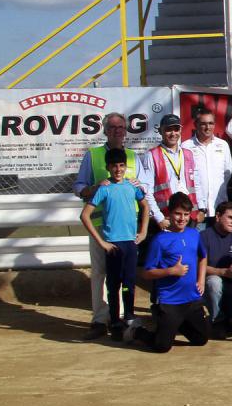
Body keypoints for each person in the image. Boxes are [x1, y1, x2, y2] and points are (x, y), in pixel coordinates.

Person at [73, 112, 141, 340]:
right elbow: (79, 187)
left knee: (124, 275)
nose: (117, 131)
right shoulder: (92, 155)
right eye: (112, 128)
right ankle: (100, 320)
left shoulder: (132, 156)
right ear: (104, 130)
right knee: (101, 273)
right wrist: (94, 188)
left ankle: (121, 318)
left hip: (127, 227)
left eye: (121, 127)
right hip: (101, 225)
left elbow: (142, 189)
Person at [135, 192, 210, 353]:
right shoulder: (159, 240)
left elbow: (203, 257)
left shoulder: (194, 234)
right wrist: (171, 271)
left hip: (191, 298)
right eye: (177, 214)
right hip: (170, 300)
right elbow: (146, 273)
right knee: (162, 347)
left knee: (201, 339)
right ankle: (137, 331)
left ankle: (177, 322)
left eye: (186, 214)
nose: (182, 218)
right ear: (169, 214)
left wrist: (201, 280)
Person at [142, 113, 201, 231]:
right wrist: (159, 218)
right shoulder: (152, 155)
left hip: (189, 217)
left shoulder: (188, 153)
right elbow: (147, 191)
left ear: (180, 130)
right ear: (160, 131)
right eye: (168, 130)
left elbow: (197, 184)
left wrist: (202, 209)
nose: (173, 133)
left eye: (176, 129)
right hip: (166, 218)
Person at [199, 201, 232, 338]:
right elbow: (197, 266)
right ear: (218, 216)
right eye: (230, 217)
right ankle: (217, 322)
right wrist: (223, 272)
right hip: (208, 287)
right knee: (214, 282)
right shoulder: (204, 236)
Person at [182, 106, 232, 227]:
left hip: (219, 206)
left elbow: (227, 173)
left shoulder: (223, 145)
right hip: (196, 209)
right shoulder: (186, 146)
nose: (207, 127)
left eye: (210, 123)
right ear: (196, 125)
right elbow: (185, 178)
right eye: (203, 124)